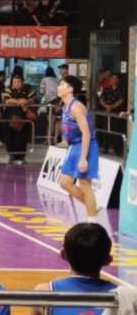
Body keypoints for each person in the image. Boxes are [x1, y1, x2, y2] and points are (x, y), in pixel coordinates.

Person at [56, 76, 99, 220]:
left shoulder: (76, 107)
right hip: (74, 146)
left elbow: (86, 133)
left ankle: (92, 222)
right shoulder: (64, 105)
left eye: (62, 84)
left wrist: (83, 159)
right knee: (64, 182)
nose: (58, 87)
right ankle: (91, 206)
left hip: (85, 146)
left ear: (70, 89)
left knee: (85, 184)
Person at [3, 75, 35, 164]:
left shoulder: (28, 89)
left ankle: (21, 156)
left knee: (22, 137)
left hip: (23, 117)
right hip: (10, 117)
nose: (16, 84)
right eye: (14, 82)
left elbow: (32, 99)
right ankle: (11, 156)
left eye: (18, 82)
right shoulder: (8, 89)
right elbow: (7, 100)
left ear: (23, 82)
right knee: (10, 137)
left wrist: (27, 101)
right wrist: (20, 102)